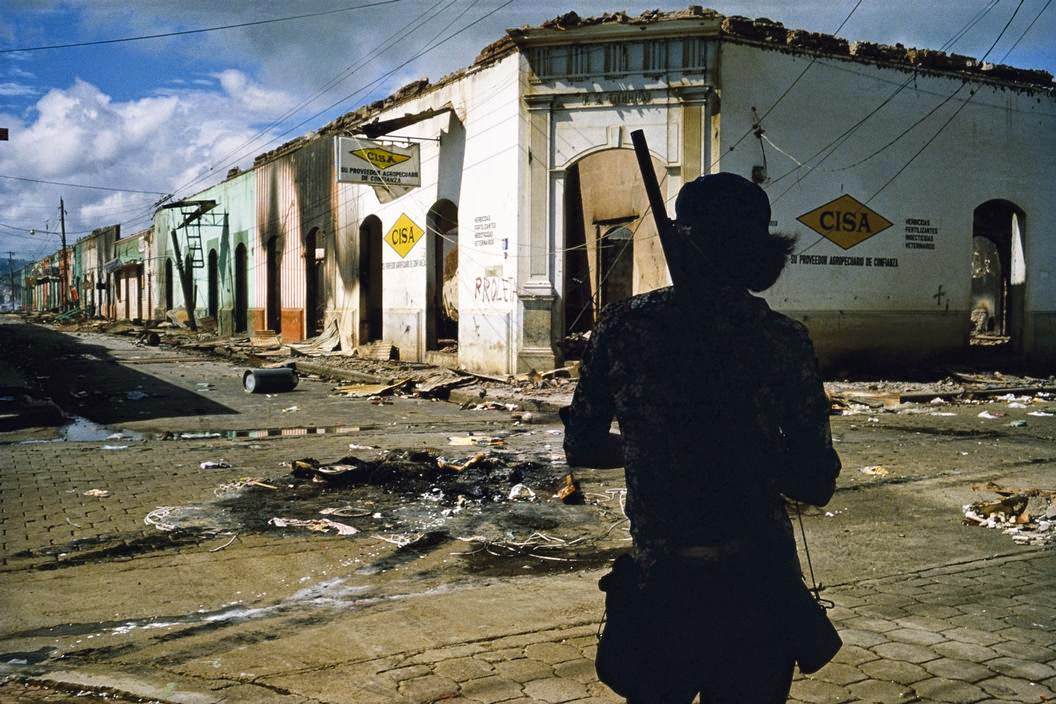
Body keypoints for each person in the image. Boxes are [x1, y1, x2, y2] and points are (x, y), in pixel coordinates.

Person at [561, 172, 842, 703]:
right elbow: (815, 483)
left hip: (662, 587)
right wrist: (749, 455)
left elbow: (583, 445)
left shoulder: (621, 328)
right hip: (757, 592)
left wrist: (650, 446)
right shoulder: (782, 341)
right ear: (759, 253)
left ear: (682, 239)